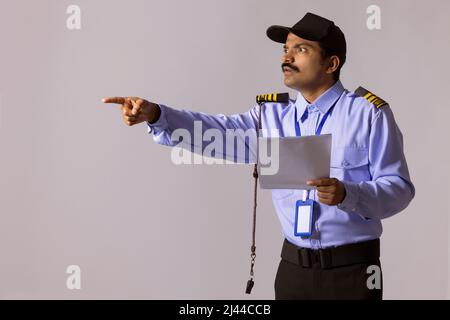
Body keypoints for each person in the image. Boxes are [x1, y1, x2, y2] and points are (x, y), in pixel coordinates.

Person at [103, 12, 415, 300]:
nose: (287, 57)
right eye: (285, 49)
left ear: (331, 64)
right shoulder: (271, 116)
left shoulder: (369, 114)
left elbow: (399, 189)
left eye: (301, 49)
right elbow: (217, 132)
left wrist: (349, 193)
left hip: (355, 271)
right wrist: (156, 114)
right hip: (293, 270)